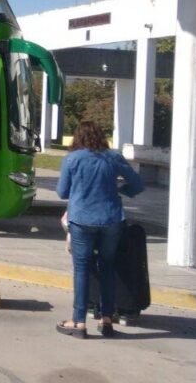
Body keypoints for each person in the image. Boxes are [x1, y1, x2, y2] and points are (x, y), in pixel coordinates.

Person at [55, 120, 143, 339]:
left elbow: (62, 192)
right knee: (107, 267)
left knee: (82, 269)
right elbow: (138, 185)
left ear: (78, 137)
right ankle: (106, 320)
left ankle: (78, 321)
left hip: (82, 220)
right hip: (111, 219)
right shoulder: (113, 157)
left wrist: (80, 188)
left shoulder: (72, 159)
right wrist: (122, 189)